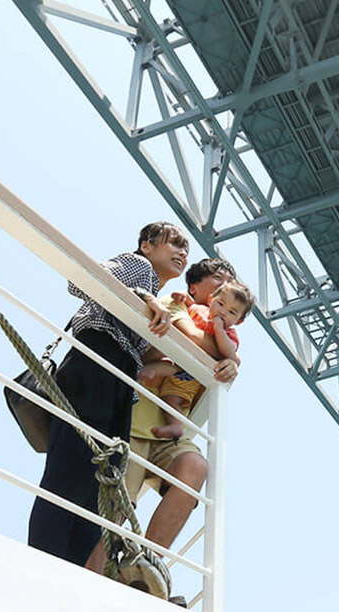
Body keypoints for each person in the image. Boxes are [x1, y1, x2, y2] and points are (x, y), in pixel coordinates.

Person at [28, 221, 188, 567]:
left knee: (98, 489)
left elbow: (142, 354)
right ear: (146, 245)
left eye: (186, 248)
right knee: (70, 475)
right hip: (94, 363)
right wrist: (146, 298)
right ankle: (42, 566)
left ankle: (69, 573)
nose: (182, 252)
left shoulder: (156, 300)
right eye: (174, 243)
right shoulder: (138, 265)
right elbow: (80, 280)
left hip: (118, 380)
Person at [85, 258, 244, 572]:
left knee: (194, 466)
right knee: (118, 505)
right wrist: (232, 359)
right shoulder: (174, 305)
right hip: (136, 424)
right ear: (195, 288)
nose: (224, 286)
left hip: (172, 431)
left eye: (229, 282)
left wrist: (232, 360)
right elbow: (194, 340)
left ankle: (145, 565)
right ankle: (91, 576)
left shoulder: (223, 334)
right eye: (217, 279)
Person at [149, 280, 253, 439]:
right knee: (159, 365)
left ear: (238, 321)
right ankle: (143, 372)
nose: (223, 312)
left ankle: (175, 426)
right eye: (220, 304)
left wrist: (219, 330)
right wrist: (183, 296)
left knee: (171, 398)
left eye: (232, 312)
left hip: (190, 373)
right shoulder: (200, 309)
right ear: (211, 300)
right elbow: (189, 305)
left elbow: (228, 351)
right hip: (175, 357)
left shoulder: (229, 334)